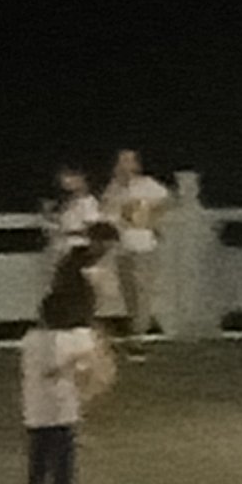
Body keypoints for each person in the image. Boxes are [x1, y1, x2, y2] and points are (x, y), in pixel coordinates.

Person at [19, 277, 108, 484]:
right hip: (60, 411)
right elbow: (82, 370)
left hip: (34, 410)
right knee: (62, 464)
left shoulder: (30, 339)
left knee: (38, 461)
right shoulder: (72, 341)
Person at [100, 147, 172, 345]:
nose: (124, 165)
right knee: (128, 289)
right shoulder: (114, 187)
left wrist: (152, 218)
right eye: (121, 160)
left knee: (142, 289)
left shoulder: (147, 184)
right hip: (122, 245)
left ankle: (139, 330)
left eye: (128, 160)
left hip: (144, 244)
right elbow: (106, 212)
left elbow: (167, 202)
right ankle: (134, 326)